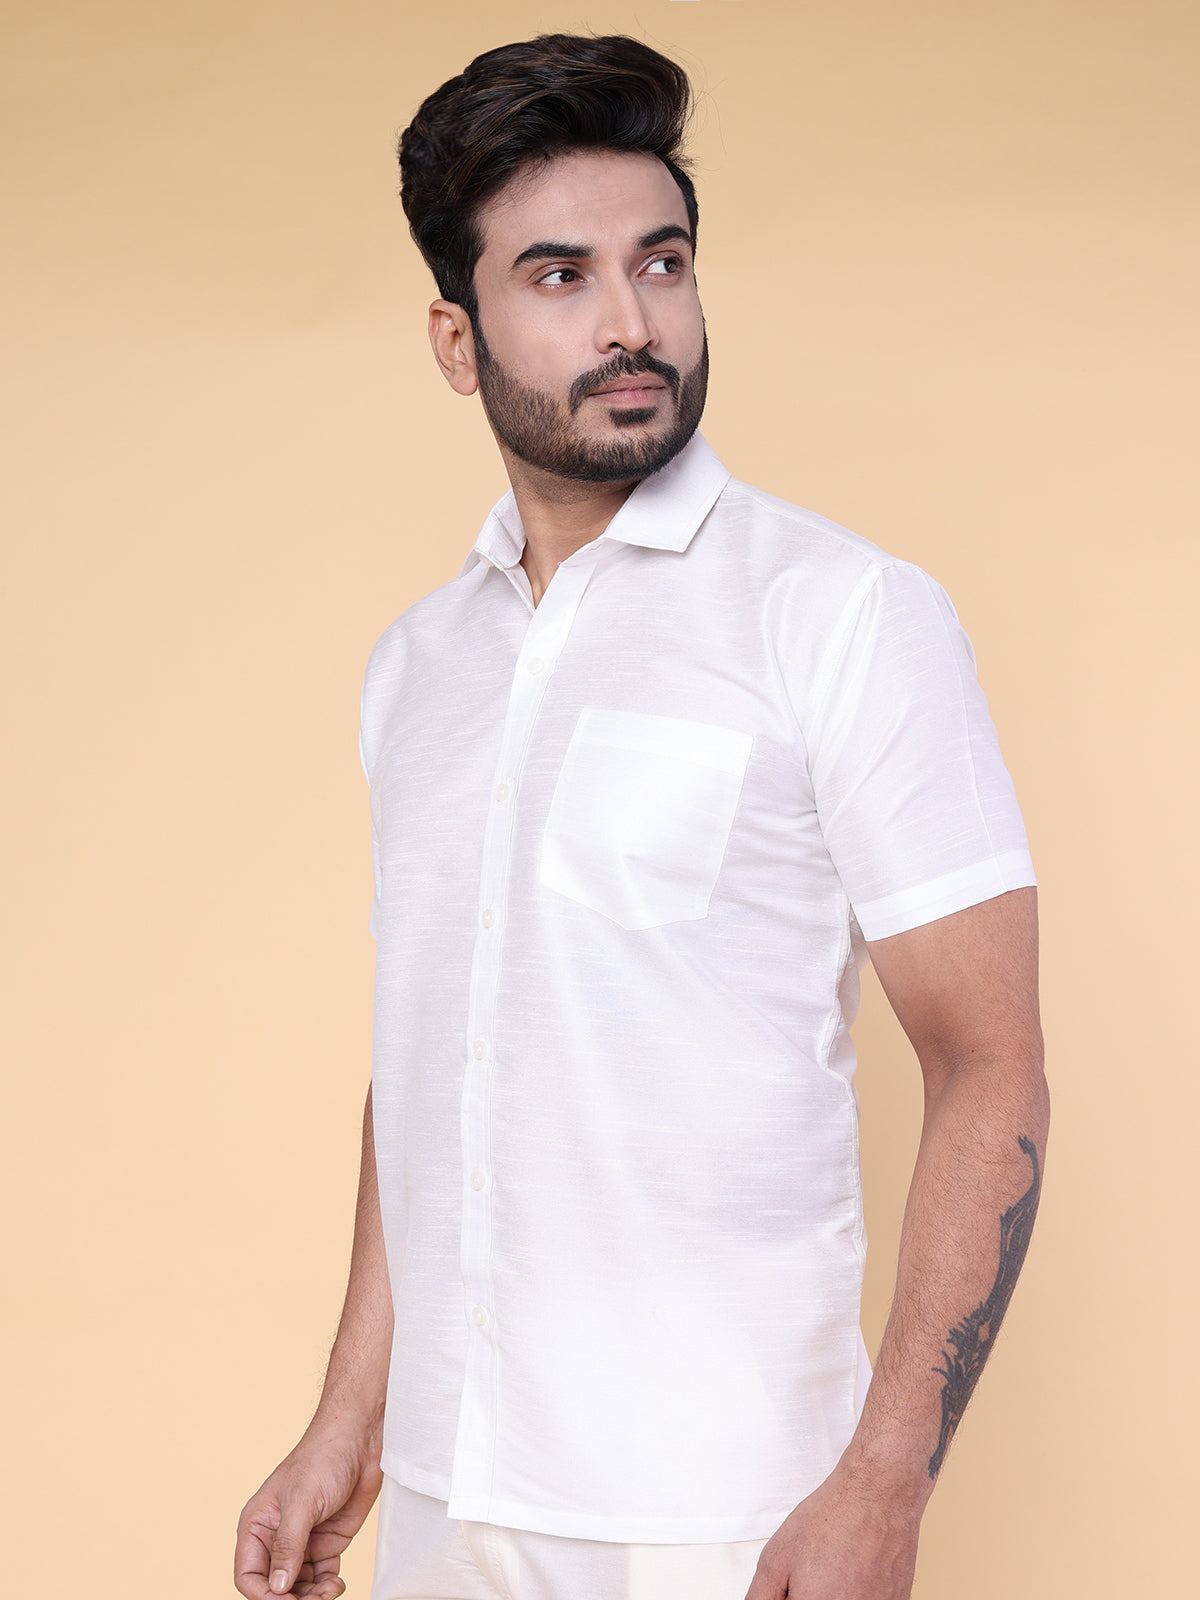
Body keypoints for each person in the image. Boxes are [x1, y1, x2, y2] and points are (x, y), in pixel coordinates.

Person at [234, 31, 1049, 1600]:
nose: (631, 323)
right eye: (560, 277)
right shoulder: (418, 667)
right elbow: (437, 1056)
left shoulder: (841, 614)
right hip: (445, 1499)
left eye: (660, 264)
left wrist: (885, 1484)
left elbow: (989, 1066)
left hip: (721, 1510)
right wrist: (350, 1416)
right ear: (456, 340)